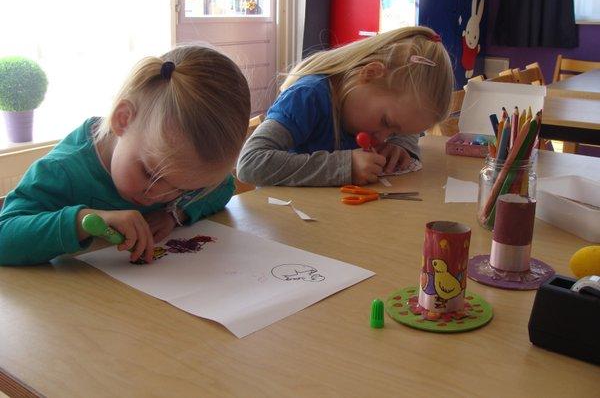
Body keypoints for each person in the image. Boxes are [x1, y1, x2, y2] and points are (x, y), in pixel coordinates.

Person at [0, 46, 250, 265]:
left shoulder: (168, 168)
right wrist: (84, 220)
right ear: (123, 120)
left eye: (181, 190)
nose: (159, 195)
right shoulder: (61, 171)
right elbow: (4, 235)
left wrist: (175, 212)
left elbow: (222, 186)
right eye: (150, 174)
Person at [236, 26, 454, 187]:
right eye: (386, 123)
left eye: (395, 132)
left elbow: (411, 125)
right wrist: (344, 167)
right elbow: (250, 163)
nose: (382, 138)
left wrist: (401, 144)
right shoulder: (307, 97)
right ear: (369, 74)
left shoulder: (384, 111)